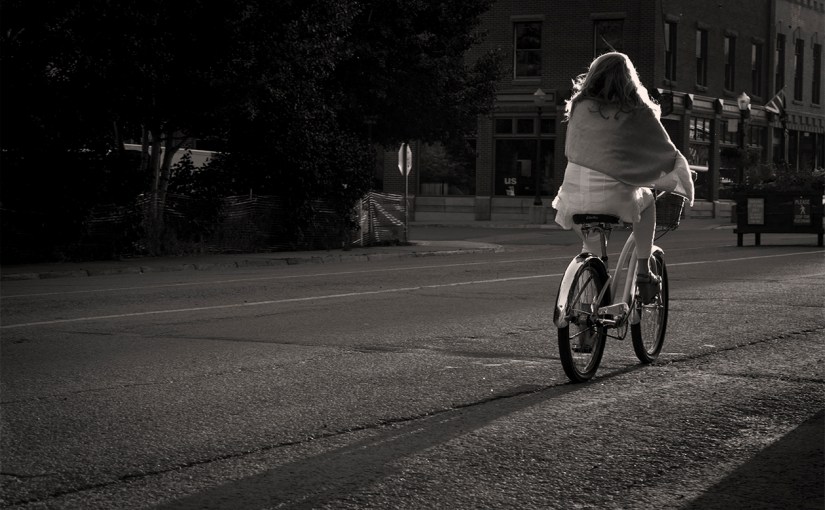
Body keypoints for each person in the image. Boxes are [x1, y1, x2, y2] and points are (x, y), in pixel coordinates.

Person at [551, 52, 694, 302]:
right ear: (629, 78)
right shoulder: (635, 108)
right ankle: (643, 269)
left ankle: (586, 320)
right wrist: (676, 172)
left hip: (573, 194)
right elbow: (662, 150)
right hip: (612, 196)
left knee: (591, 248)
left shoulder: (579, 105)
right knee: (647, 200)